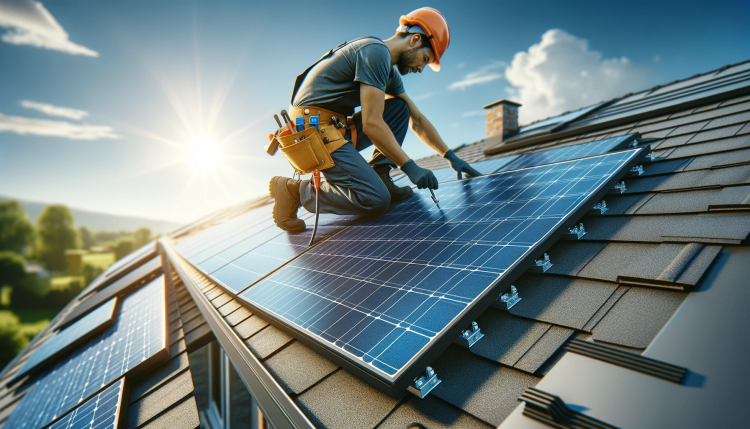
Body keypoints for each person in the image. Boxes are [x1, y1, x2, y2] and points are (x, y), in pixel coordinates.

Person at [269, 7, 480, 232]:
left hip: (335, 127)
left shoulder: (387, 70)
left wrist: (450, 156)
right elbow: (371, 124)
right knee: (375, 200)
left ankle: (382, 175)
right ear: (415, 40)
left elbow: (416, 118)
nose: (420, 68)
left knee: (399, 107)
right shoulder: (375, 52)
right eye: (425, 59)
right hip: (311, 131)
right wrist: (410, 167)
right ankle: (294, 190)